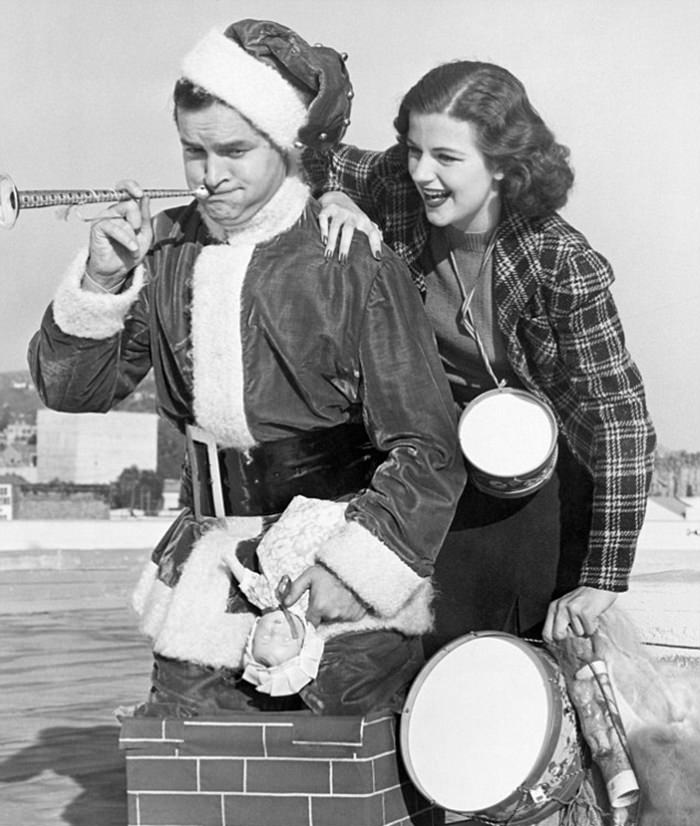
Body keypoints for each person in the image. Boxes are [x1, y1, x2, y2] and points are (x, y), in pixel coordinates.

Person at [27, 20, 465, 716]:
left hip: (335, 581)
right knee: (180, 774)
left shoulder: (352, 262)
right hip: (205, 578)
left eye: (234, 150)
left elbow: (430, 450)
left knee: (328, 784)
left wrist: (353, 572)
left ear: (288, 147)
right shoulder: (163, 250)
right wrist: (103, 283)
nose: (209, 174)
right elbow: (71, 389)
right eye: (192, 151)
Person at [302, 60, 656, 654]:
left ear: (501, 164)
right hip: (430, 456)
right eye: (413, 150)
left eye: (447, 158)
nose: (421, 173)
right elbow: (312, 155)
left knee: (499, 644)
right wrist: (334, 193)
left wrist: (603, 579)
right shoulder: (396, 182)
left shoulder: (560, 261)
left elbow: (620, 420)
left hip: (536, 478)